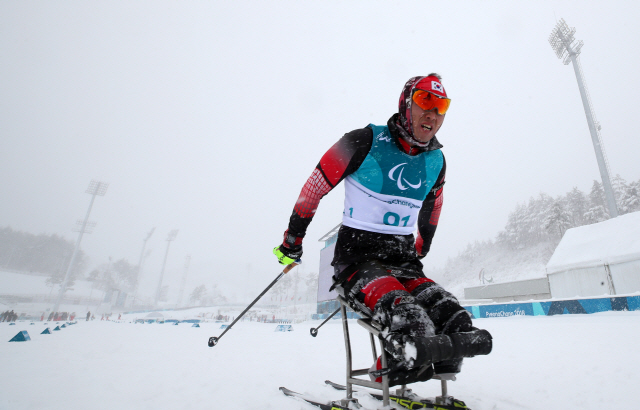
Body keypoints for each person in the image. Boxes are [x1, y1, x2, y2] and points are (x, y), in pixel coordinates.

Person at [274, 75, 492, 386]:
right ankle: (385, 375)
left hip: (403, 263)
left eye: (441, 106)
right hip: (357, 262)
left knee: (456, 320)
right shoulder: (362, 141)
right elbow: (314, 187)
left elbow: (434, 208)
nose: (432, 113)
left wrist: (422, 245)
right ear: (406, 103)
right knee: (412, 322)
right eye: (424, 101)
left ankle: (416, 367)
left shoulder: (436, 161)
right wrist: (292, 242)